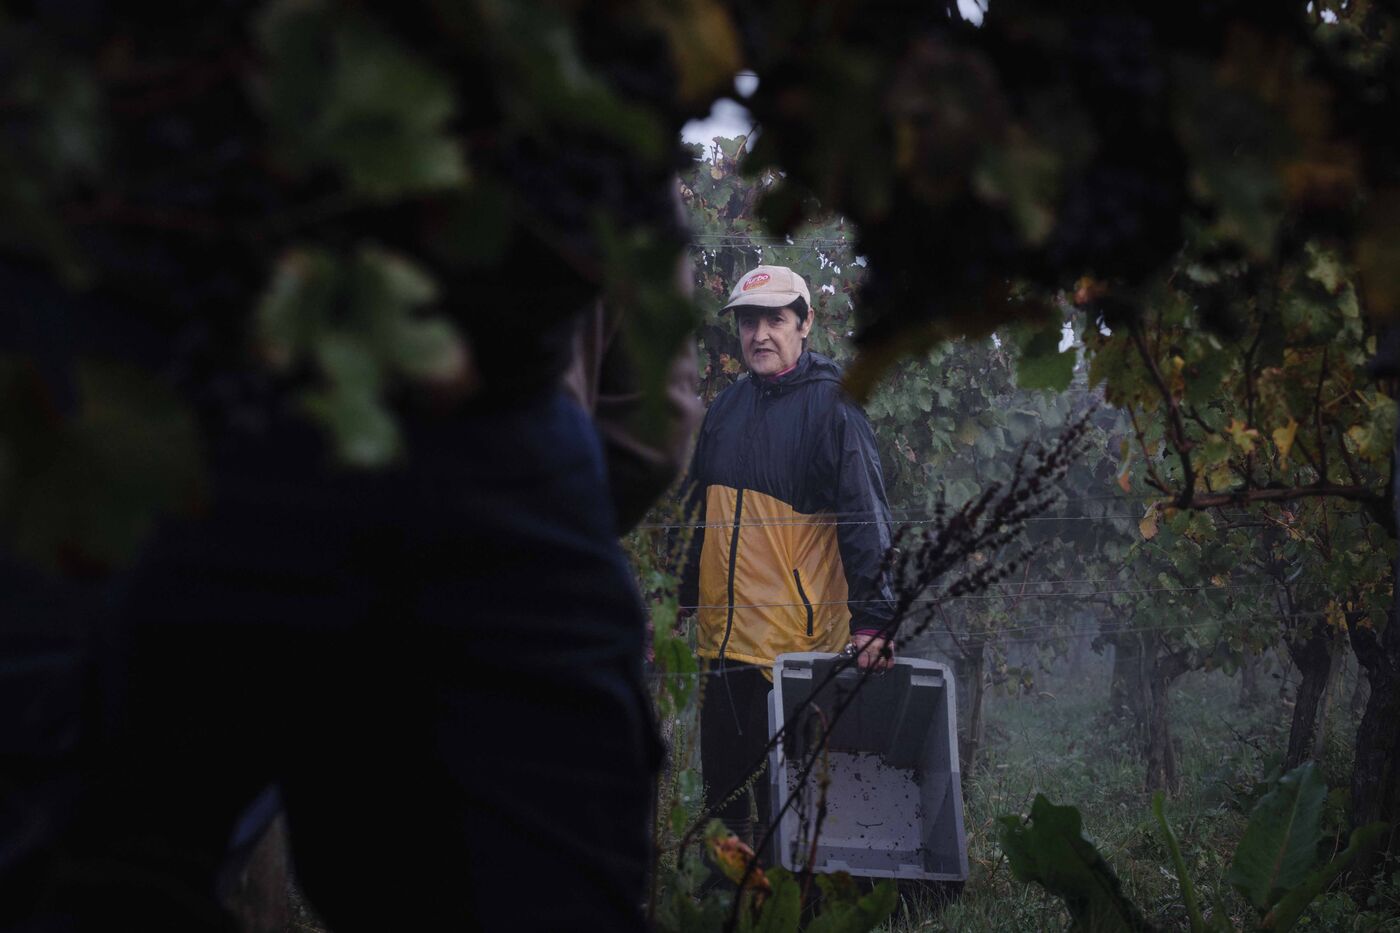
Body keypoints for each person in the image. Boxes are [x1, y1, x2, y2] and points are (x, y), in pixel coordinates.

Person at [678, 264, 897, 847]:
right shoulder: (726, 409)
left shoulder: (834, 408)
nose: (760, 335)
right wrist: (678, 600)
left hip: (792, 650)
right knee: (723, 789)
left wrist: (874, 621)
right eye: (749, 322)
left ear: (805, 324)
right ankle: (726, 886)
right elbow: (698, 517)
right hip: (721, 642)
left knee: (789, 795)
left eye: (775, 320)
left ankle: (792, 888)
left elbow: (866, 517)